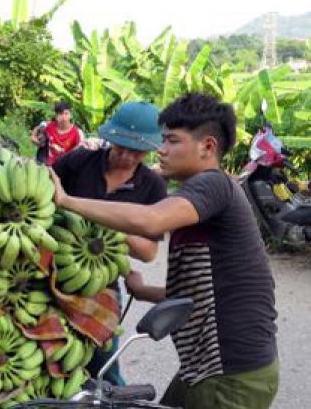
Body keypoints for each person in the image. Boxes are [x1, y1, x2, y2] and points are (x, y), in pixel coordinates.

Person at [52, 93, 278, 409]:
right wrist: (144, 291)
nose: (161, 150)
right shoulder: (201, 196)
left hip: (231, 374)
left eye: (172, 141)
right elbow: (203, 290)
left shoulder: (214, 185)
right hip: (204, 368)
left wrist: (67, 201)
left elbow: (151, 221)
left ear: (207, 147)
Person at [52, 101, 168, 386]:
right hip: (52, 270)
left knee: (103, 361)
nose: (126, 156)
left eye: (137, 151)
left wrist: (110, 221)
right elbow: (47, 187)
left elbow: (149, 252)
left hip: (100, 280)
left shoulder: (152, 186)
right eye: (119, 147)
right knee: (52, 353)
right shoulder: (78, 162)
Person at [30, 100, 83, 166]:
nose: (64, 117)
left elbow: (81, 152)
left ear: (70, 115)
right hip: (46, 164)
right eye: (60, 114)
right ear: (56, 116)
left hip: (64, 167)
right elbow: (37, 129)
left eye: (66, 114)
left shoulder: (77, 132)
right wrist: (34, 138)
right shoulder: (48, 126)